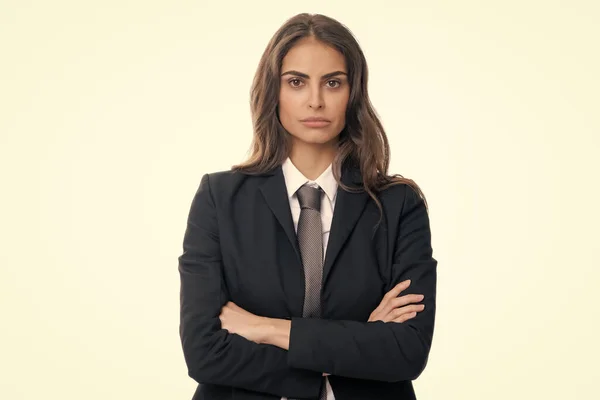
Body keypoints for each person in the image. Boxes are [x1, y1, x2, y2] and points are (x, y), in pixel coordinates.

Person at [178, 13, 437, 400]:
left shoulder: (399, 205)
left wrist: (266, 329)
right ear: (274, 91)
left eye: (333, 82)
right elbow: (204, 352)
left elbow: (406, 351)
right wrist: (347, 356)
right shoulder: (219, 198)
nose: (315, 100)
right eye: (296, 82)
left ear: (353, 93)